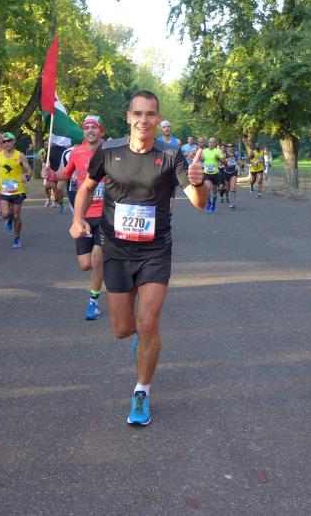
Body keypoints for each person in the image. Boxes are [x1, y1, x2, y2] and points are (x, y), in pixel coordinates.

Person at [71, 91, 209, 426]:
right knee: (122, 329)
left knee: (148, 322)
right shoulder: (109, 151)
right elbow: (87, 187)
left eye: (150, 114)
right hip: (117, 251)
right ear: (128, 117)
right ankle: (141, 339)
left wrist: (200, 182)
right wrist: (77, 219)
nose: (144, 120)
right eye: (138, 114)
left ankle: (142, 390)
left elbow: (199, 202)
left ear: (158, 118)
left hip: (155, 250)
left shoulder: (171, 155)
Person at [43, 115, 106, 320]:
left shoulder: (111, 152)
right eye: (86, 128)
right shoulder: (76, 152)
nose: (90, 131)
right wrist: (51, 175)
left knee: (97, 259)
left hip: (106, 215)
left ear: (101, 131)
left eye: (94, 127)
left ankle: (93, 302)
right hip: (84, 216)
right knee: (85, 264)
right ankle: (106, 266)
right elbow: (65, 174)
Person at [0, 132, 32, 248]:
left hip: (18, 190)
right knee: (5, 214)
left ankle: (16, 238)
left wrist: (27, 177)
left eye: (8, 141)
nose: (6, 143)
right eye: (4, 141)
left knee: (16, 216)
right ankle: (8, 218)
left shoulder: (20, 155)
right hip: (4, 190)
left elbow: (29, 169)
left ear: (13, 141)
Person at [200, 138, 224, 212]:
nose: (211, 144)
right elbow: (201, 160)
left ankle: (213, 203)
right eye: (210, 142)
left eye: (213, 142)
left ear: (215, 143)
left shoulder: (218, 151)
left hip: (215, 173)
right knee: (207, 188)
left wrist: (218, 159)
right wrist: (202, 159)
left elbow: (224, 161)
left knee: (214, 190)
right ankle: (208, 203)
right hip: (206, 173)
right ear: (208, 143)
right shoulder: (204, 151)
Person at [221, 142, 240, 209]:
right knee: (227, 188)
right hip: (226, 172)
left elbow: (238, 162)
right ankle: (226, 193)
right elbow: (221, 162)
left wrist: (238, 164)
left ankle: (232, 203)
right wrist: (224, 162)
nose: (230, 147)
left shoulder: (236, 154)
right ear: (226, 148)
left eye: (231, 146)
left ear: (233, 147)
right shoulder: (224, 154)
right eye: (228, 146)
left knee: (233, 187)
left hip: (234, 172)